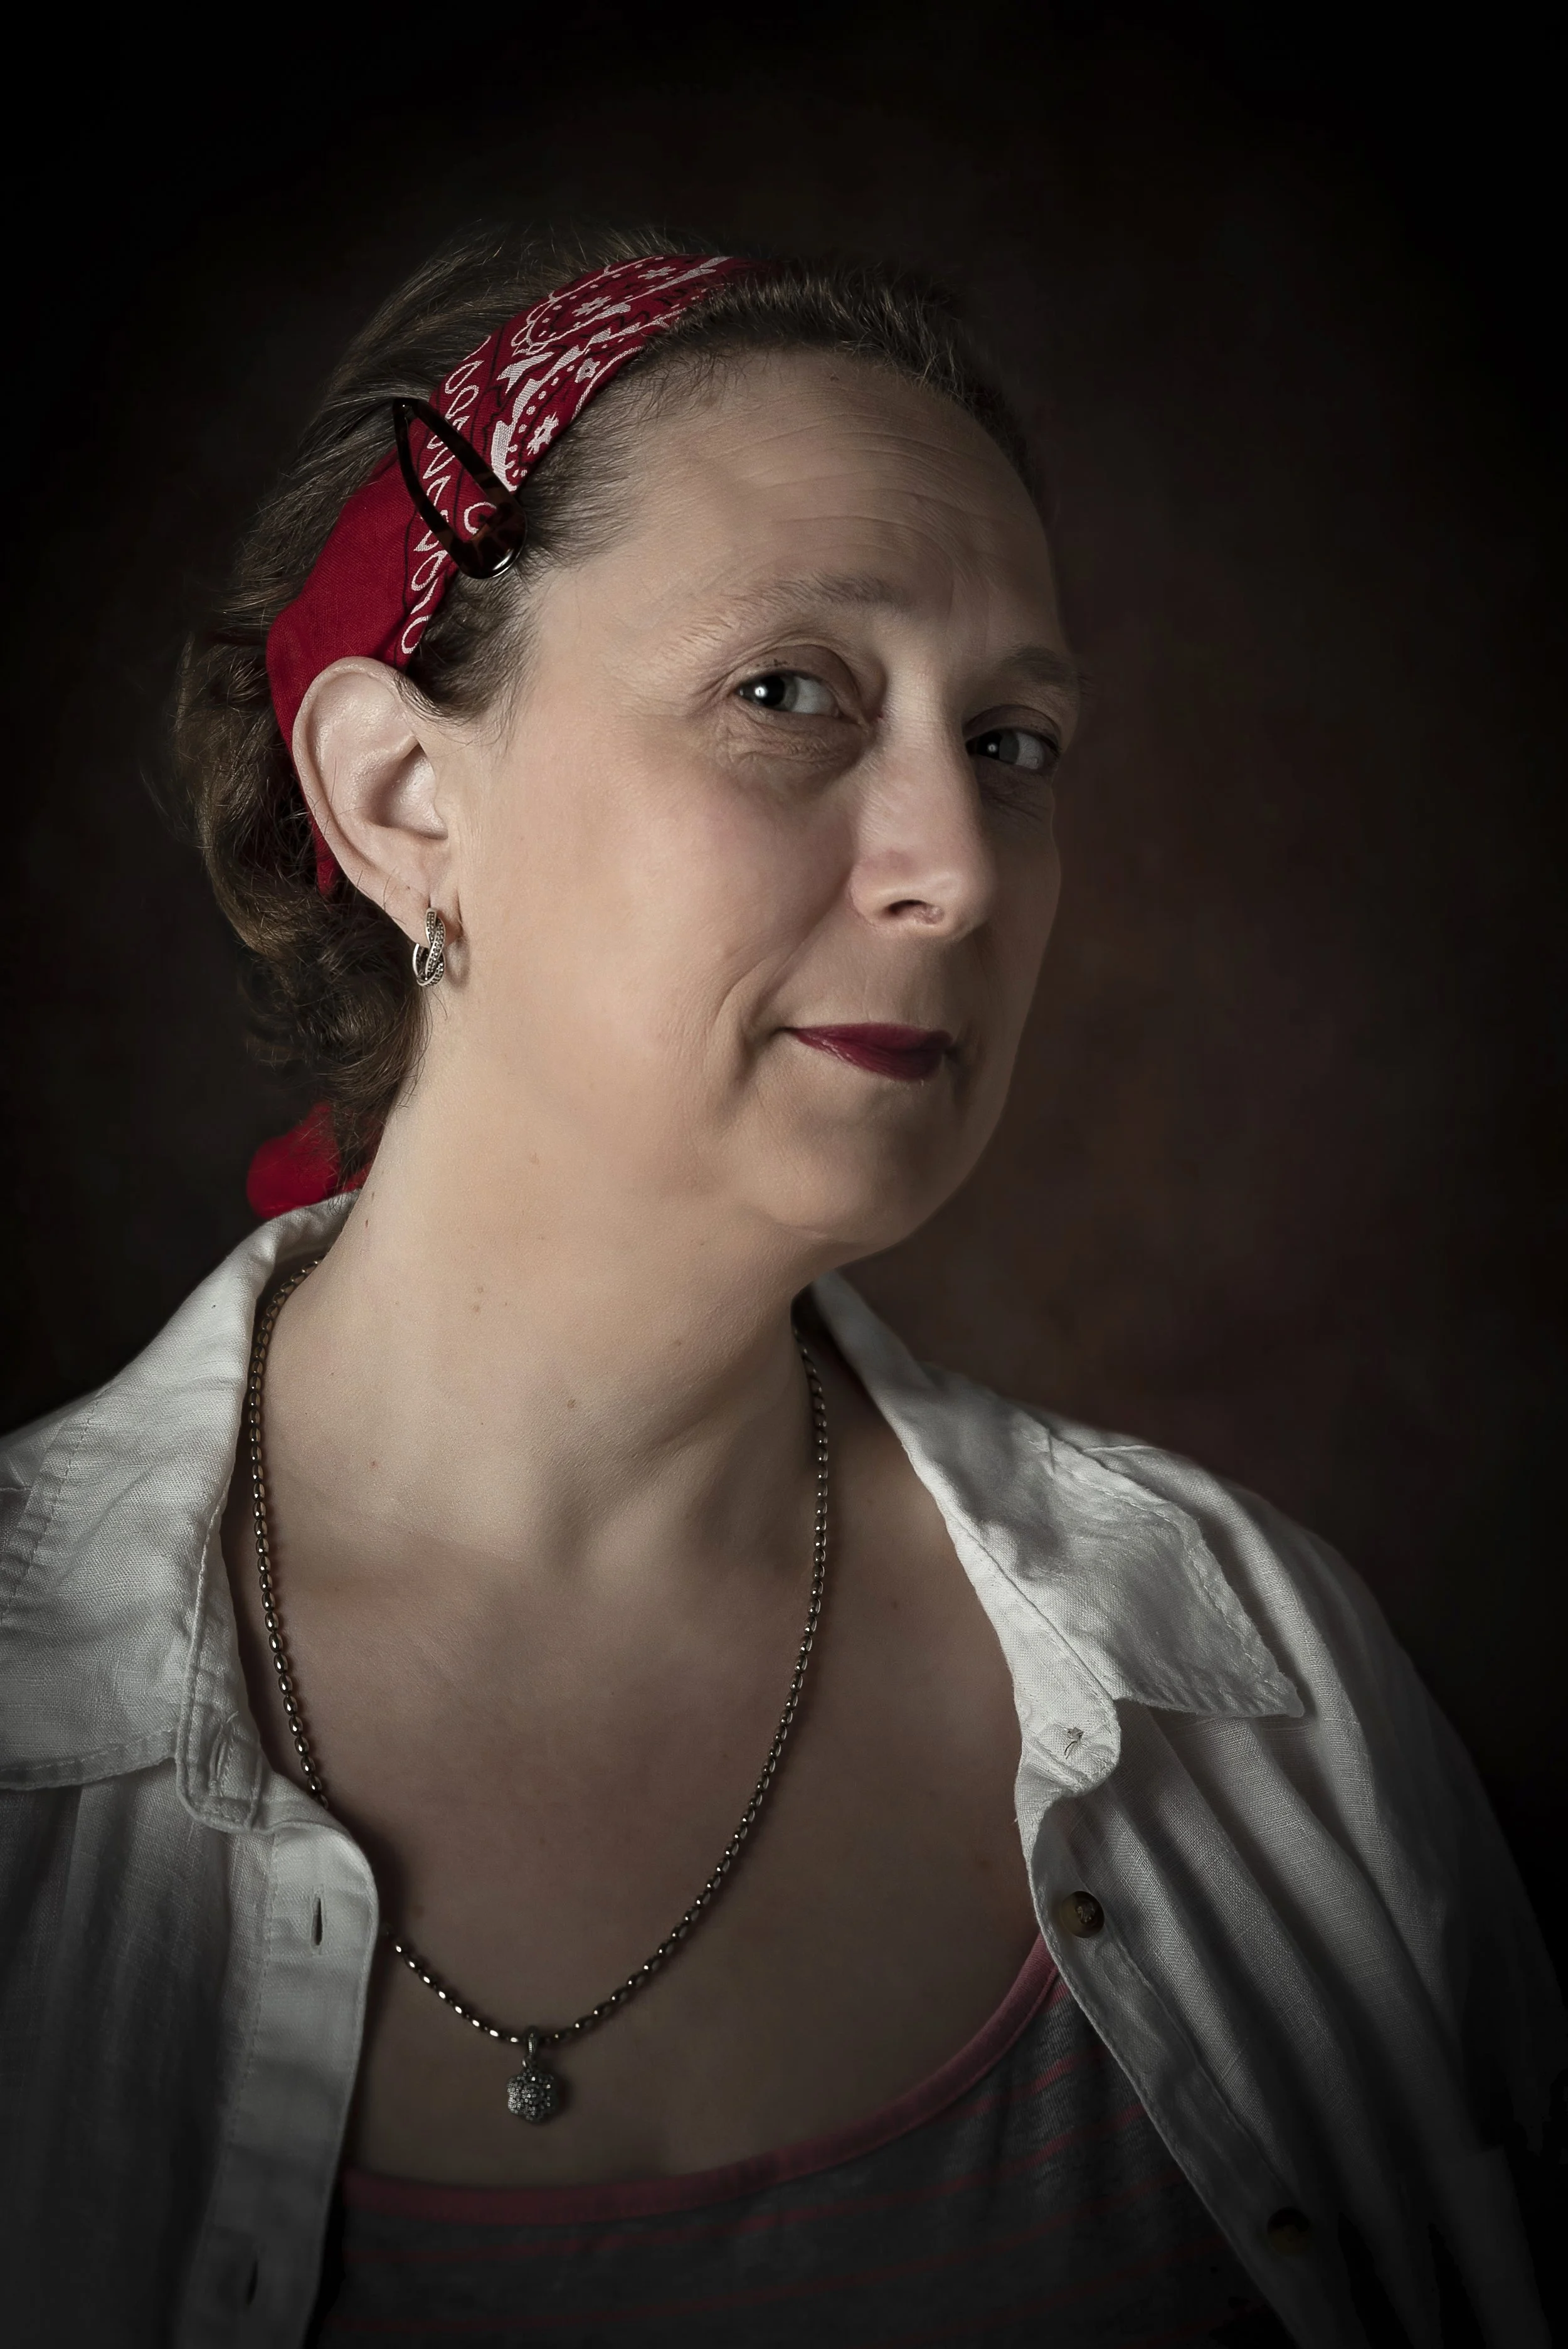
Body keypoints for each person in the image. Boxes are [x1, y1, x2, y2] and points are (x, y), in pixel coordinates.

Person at [0, 230, 1559, 2349]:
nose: (961, 864)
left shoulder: (1261, 1692)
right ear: (396, 799)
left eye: (1013, 741)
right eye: (784, 693)